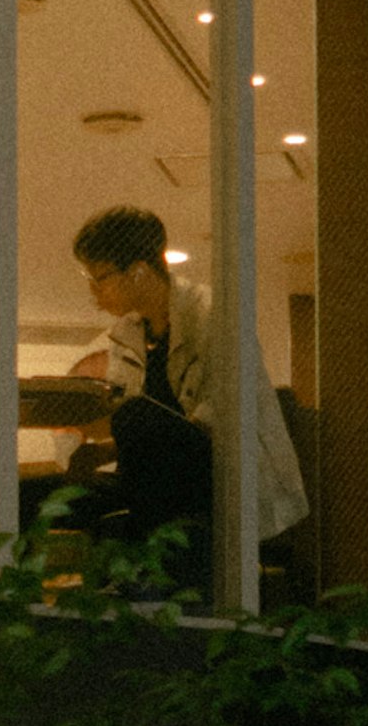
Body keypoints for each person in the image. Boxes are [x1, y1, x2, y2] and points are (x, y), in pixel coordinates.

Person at [46, 203, 309, 554]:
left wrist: (127, 433)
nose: (95, 291)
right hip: (159, 480)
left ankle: (147, 573)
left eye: (101, 278)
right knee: (43, 497)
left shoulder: (213, 315)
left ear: (139, 272)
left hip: (225, 478)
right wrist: (100, 453)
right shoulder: (128, 334)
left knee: (133, 416)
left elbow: (218, 417)